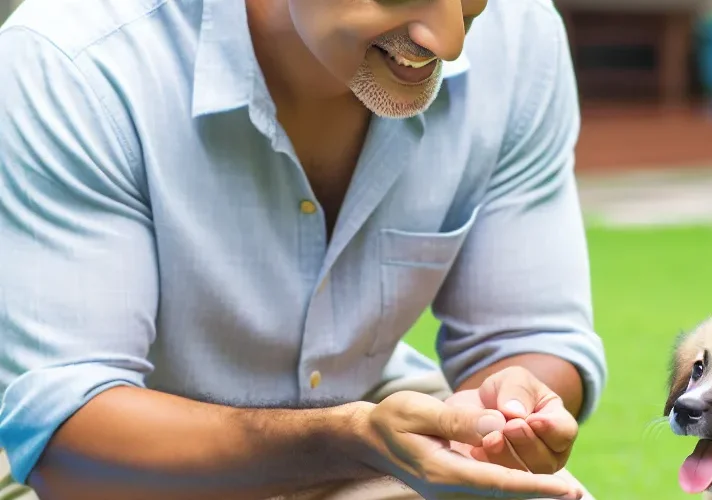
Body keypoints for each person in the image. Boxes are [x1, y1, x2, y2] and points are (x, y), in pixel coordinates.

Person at [0, 0, 607, 498]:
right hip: (121, 476)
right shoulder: (74, 61)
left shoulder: (519, 34)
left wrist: (493, 419)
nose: (448, 42)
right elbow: (61, 439)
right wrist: (344, 437)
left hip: (364, 448)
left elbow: (531, 334)